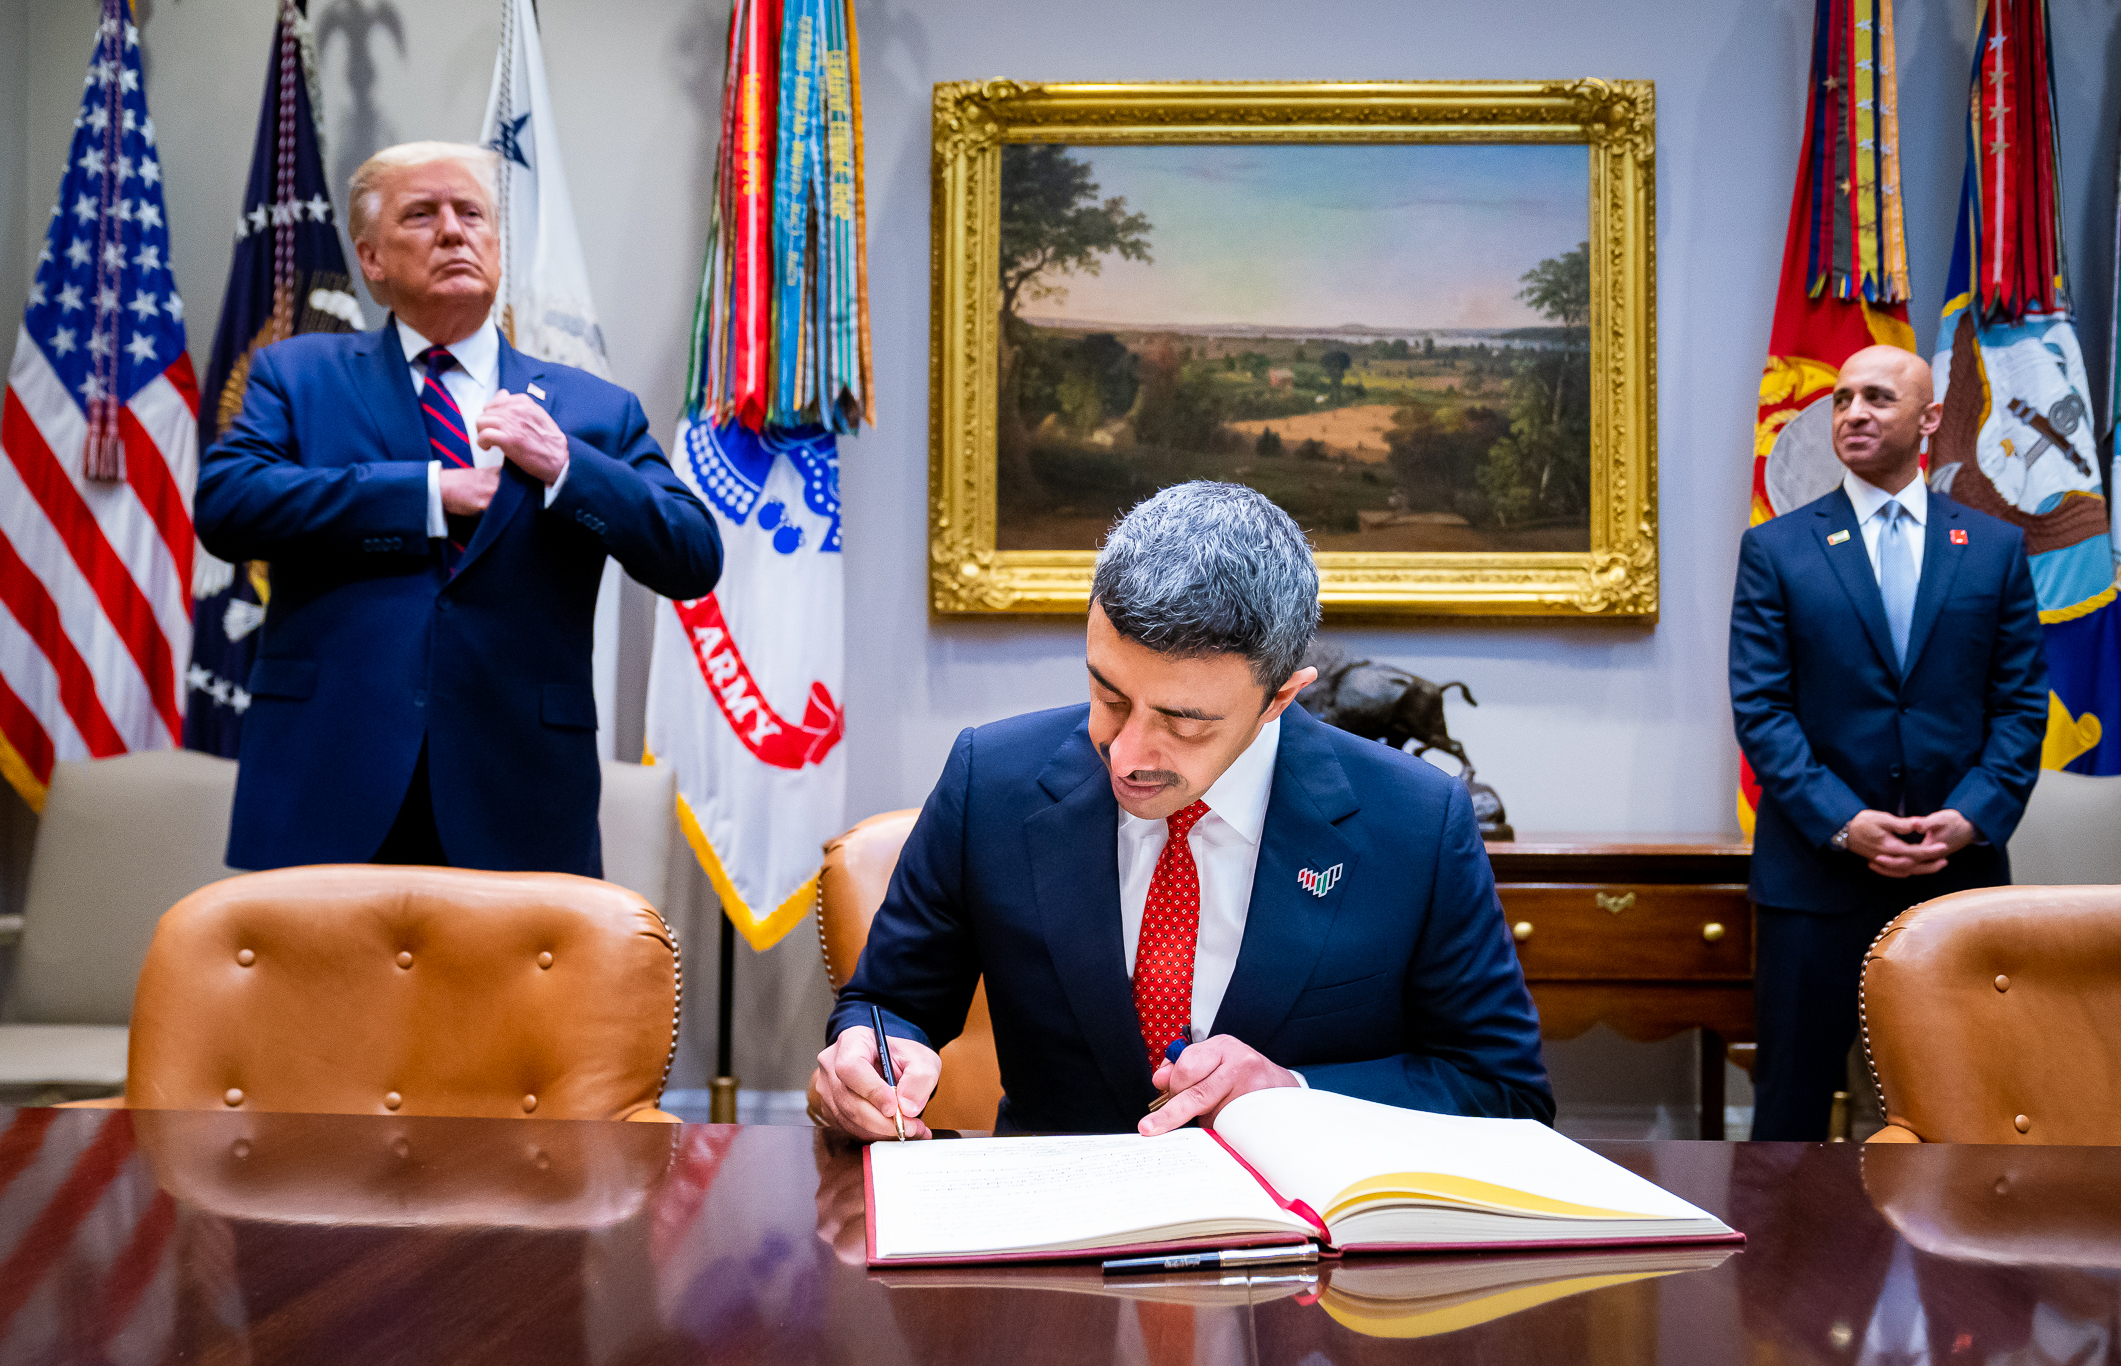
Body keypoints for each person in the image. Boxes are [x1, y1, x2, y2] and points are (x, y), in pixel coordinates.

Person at [811, 481, 1552, 1139]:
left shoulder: (1416, 822)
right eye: (1109, 695)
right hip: (1054, 1247)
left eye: (1185, 722)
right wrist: (867, 1058)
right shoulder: (991, 781)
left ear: (1279, 698)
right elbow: (886, 1003)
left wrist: (1293, 1093)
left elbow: (1504, 1091)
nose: (1126, 754)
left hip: (1304, 1267)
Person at [195, 142, 720, 875]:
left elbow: (693, 555)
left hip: (518, 798)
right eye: (421, 214)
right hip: (329, 788)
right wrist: (424, 494)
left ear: (497, 248)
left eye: (470, 213)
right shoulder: (298, 376)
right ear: (371, 260)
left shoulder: (592, 409)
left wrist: (568, 467)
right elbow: (228, 505)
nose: (452, 231)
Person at [1730, 344, 2047, 1141]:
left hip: (1956, 878)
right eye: (1841, 400)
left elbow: (2018, 708)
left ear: (1929, 419)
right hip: (1814, 879)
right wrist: (1844, 821)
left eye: (1876, 398)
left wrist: (1970, 815)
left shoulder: (1995, 551)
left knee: (1958, 1115)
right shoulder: (1778, 550)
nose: (1853, 414)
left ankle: (1953, 1272)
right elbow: (1762, 710)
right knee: (1790, 1123)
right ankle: (1784, 1271)